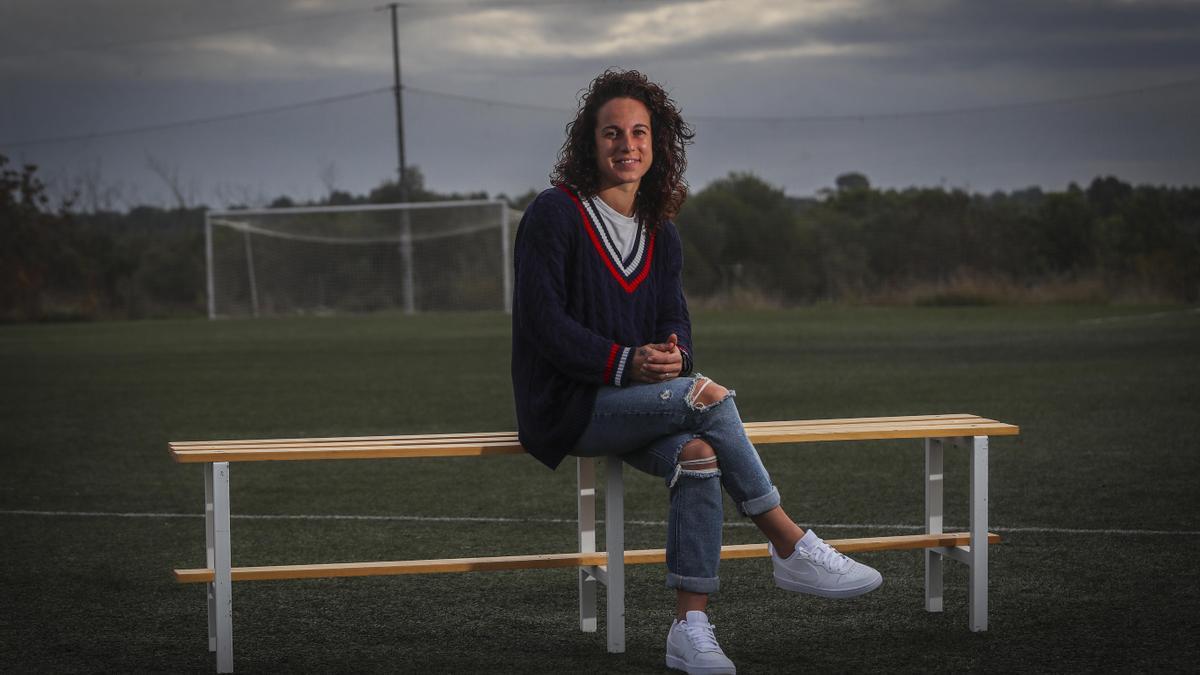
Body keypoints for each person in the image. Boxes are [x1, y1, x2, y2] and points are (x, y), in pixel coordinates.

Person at [510, 69, 882, 675]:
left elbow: (675, 322)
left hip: (641, 402)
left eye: (639, 133)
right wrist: (627, 361)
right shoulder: (555, 214)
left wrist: (673, 355)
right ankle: (789, 541)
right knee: (707, 396)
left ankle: (689, 629)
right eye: (611, 133)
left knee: (701, 456)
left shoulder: (663, 232)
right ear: (588, 143)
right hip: (568, 407)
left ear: (657, 145)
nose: (626, 145)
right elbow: (542, 325)